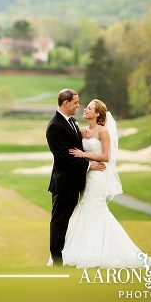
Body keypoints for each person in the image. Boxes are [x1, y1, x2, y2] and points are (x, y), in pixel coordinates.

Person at [61, 99, 144, 268]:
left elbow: (106, 156)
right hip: (87, 174)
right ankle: (81, 249)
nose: (85, 109)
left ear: (97, 114)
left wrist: (83, 155)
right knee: (85, 207)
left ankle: (99, 252)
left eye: (89, 108)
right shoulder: (82, 131)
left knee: (94, 207)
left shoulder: (103, 132)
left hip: (98, 176)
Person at [46, 89, 106, 266]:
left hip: (75, 183)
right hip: (64, 183)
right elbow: (63, 157)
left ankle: (70, 255)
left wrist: (80, 134)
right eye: (75, 103)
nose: (78, 106)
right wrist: (89, 165)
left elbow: (74, 145)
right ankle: (57, 261)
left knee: (71, 222)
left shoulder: (71, 121)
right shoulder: (54, 126)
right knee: (59, 222)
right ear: (65, 103)